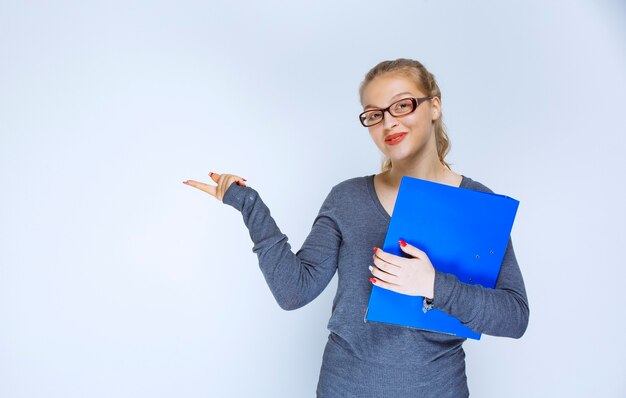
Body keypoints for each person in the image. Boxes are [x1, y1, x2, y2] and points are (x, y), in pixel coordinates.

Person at [183, 58, 529, 397]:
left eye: (402, 105)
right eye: (375, 114)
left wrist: (431, 284)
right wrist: (249, 205)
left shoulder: (477, 204)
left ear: (434, 106)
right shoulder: (347, 198)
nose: (388, 123)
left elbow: (514, 317)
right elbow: (293, 291)